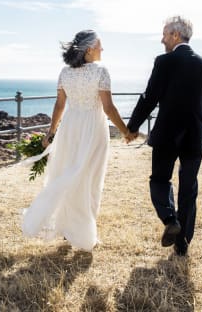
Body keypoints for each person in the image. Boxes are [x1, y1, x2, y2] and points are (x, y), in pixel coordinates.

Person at [22, 30, 134, 251]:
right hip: (93, 129)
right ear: (89, 49)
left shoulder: (65, 73)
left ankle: (72, 229)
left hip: (70, 128)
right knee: (90, 178)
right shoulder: (101, 71)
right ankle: (84, 234)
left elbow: (59, 105)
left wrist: (51, 132)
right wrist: (126, 131)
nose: (103, 49)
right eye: (100, 45)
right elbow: (109, 108)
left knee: (69, 173)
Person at [127, 16, 202, 256]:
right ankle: (182, 243)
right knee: (189, 188)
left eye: (165, 34)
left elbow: (149, 97)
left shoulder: (164, 61)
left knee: (160, 180)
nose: (162, 38)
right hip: (195, 137)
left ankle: (169, 219)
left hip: (167, 134)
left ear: (175, 35)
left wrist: (132, 127)